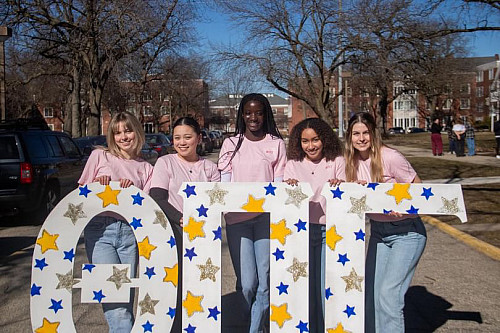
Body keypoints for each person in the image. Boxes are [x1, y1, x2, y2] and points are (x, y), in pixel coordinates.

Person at [344, 112, 426, 333]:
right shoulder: (349, 162)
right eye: (356, 133)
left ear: (374, 134)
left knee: (389, 296)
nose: (361, 138)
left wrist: (404, 206)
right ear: (349, 136)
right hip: (379, 234)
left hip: (407, 233)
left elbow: (419, 188)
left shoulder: (390, 157)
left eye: (366, 133)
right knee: (371, 293)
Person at [78, 111, 153, 333]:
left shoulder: (146, 168)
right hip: (100, 232)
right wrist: (98, 186)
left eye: (128, 130)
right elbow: (81, 192)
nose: (123, 136)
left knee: (126, 297)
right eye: (117, 132)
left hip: (130, 233)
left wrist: (133, 192)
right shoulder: (100, 156)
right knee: (114, 298)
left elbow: (147, 208)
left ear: (137, 132)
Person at [218, 93, 286, 333]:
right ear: (242, 114)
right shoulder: (230, 144)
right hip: (237, 221)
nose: (253, 117)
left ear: (265, 114)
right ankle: (255, 314)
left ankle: (256, 328)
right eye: (248, 112)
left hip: (265, 220)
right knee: (248, 284)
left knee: (264, 281)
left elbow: (279, 184)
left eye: (258, 112)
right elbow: (223, 184)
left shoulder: (275, 143)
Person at [149, 117, 220, 332]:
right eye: (177, 137)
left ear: (198, 139)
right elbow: (157, 196)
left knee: (201, 285)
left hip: (204, 236)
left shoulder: (209, 167)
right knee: (176, 286)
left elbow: (217, 201)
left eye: (187, 137)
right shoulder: (166, 162)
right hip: (174, 232)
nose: (182, 142)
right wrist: (181, 218)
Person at [283, 118, 345, 333]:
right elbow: (285, 198)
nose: (311, 146)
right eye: (305, 141)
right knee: (303, 286)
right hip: (301, 232)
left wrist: (342, 186)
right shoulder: (292, 164)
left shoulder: (337, 161)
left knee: (325, 286)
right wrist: (288, 187)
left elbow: (348, 191)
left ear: (324, 139)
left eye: (315, 140)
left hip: (330, 231)